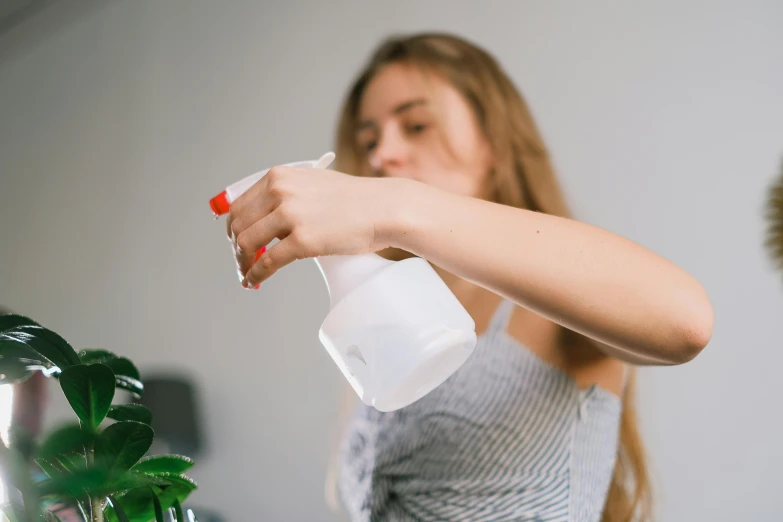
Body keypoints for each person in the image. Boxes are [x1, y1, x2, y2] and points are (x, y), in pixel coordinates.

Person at [226, 32, 713, 522]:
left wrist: (392, 203)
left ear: (495, 144)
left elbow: (685, 321)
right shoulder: (388, 318)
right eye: (368, 140)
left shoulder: (553, 302)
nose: (381, 156)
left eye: (416, 125)